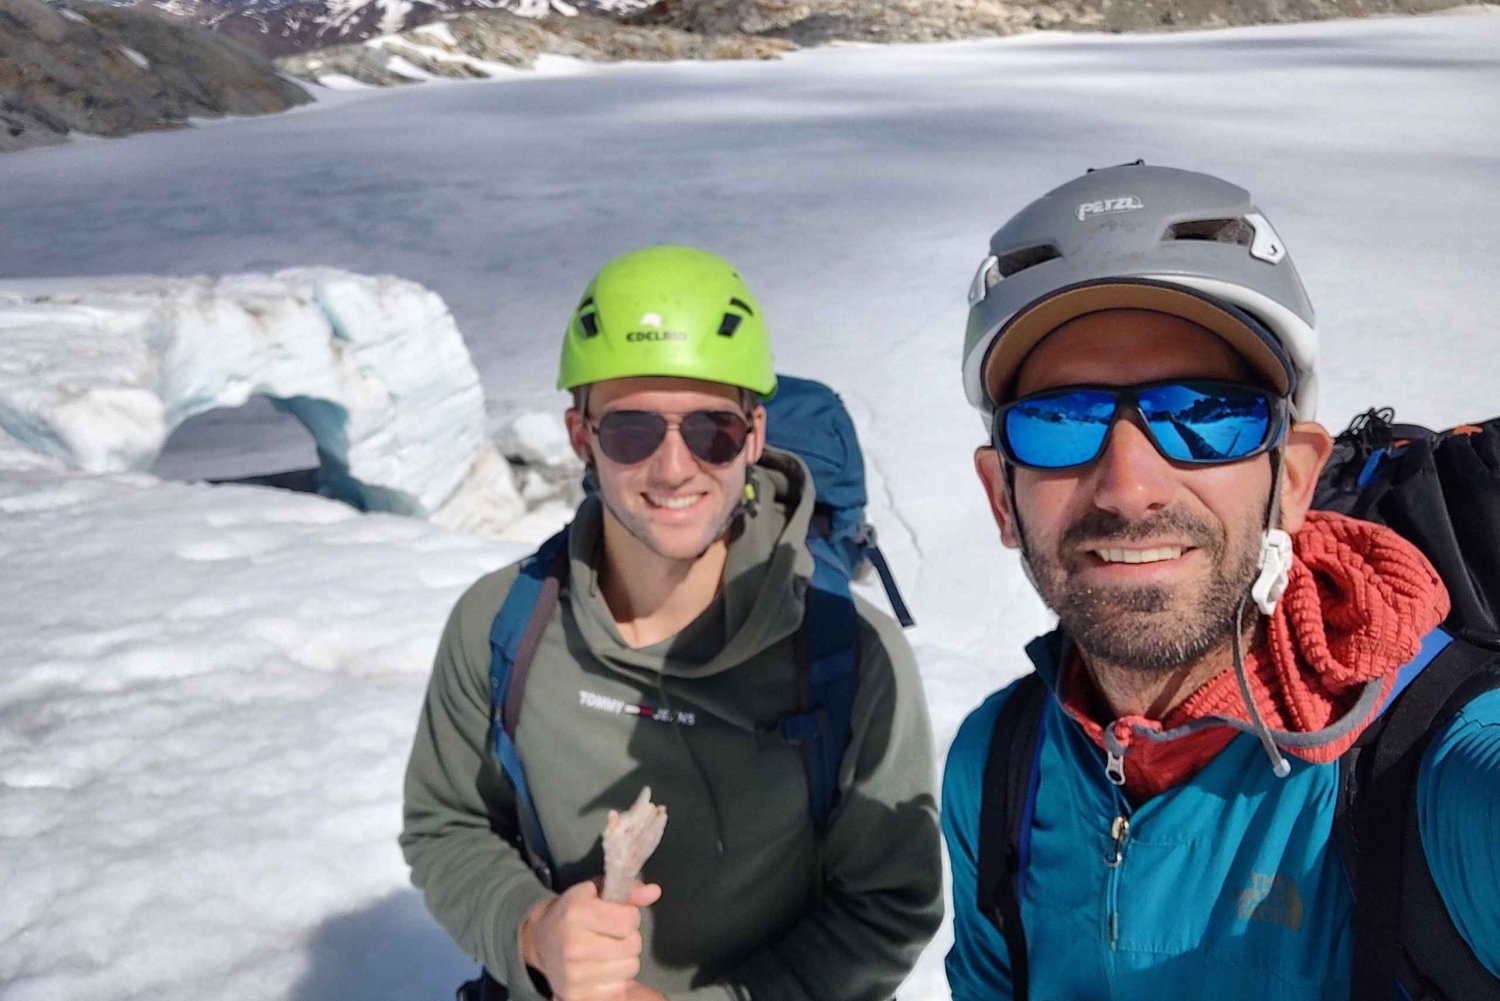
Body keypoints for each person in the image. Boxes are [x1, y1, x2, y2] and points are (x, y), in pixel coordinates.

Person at [943, 163, 1500, 998]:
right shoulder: (998, 764)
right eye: (1060, 422)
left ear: (1296, 480)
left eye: (1205, 415)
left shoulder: (1429, 765)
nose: (1130, 486)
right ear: (1002, 495)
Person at [401, 245, 942, 1001]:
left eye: (712, 429)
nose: (674, 467)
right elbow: (448, 823)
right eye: (629, 429)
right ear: (579, 434)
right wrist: (531, 932)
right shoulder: (500, 624)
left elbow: (888, 903)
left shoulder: (848, 655)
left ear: (754, 435)